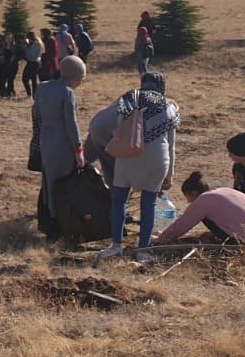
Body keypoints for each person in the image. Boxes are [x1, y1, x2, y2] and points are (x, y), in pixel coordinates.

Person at [99, 72, 179, 263]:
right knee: (149, 202)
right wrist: (170, 174)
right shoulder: (169, 106)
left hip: (128, 156)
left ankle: (116, 245)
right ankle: (143, 249)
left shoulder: (128, 99)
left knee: (119, 200)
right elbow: (171, 144)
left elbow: (119, 128)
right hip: (157, 159)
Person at [33, 54, 87, 240]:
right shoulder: (67, 93)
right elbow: (71, 125)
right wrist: (78, 150)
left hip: (45, 140)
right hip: (62, 142)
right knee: (63, 183)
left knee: (48, 181)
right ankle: (60, 223)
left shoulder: (42, 88)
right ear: (76, 77)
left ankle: (47, 218)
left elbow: (36, 113)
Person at [154, 172, 245, 246]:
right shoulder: (226, 191)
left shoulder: (204, 200)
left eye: (188, 198)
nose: (189, 202)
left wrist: (161, 239)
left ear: (192, 193)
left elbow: (181, 226)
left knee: (204, 216)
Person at [0, 33, 20, 99]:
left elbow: (20, 55)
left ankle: (10, 94)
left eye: (9, 38)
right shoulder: (1, 46)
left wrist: (15, 58)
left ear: (12, 39)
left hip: (12, 67)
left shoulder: (16, 47)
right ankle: (1, 94)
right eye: (7, 38)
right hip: (2, 67)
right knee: (2, 81)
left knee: (10, 81)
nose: (8, 40)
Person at [22, 30, 43, 98]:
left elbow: (32, 56)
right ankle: (31, 94)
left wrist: (27, 47)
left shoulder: (36, 44)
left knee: (31, 79)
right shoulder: (34, 44)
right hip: (32, 63)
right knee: (28, 79)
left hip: (34, 63)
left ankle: (33, 94)